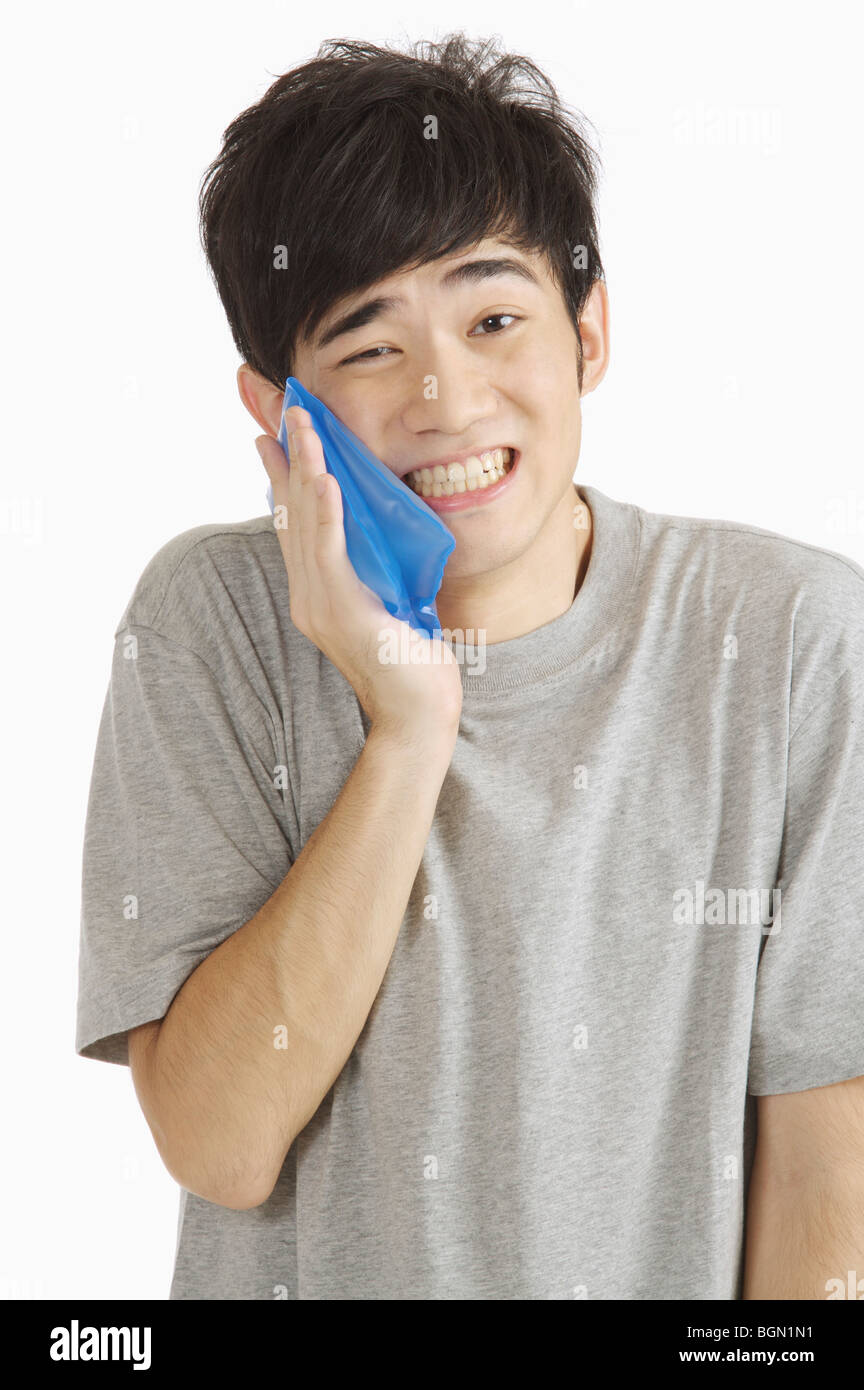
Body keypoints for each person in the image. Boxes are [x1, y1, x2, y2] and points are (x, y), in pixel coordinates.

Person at [76, 33, 864, 1301]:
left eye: (495, 317)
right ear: (280, 409)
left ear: (589, 330)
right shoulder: (208, 621)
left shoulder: (794, 640)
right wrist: (406, 728)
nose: (446, 396)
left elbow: (831, 1183)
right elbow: (218, 1143)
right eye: (370, 345)